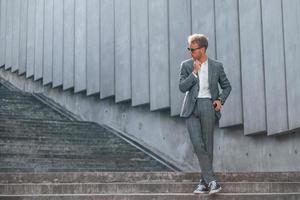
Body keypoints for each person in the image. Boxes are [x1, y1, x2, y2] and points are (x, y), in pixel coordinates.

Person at [179, 34, 231, 194]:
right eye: (189, 49)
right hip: (191, 109)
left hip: (208, 106)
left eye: (192, 50)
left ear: (202, 49)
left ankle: (203, 182)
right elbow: (182, 87)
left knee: (208, 146)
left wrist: (220, 101)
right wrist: (194, 73)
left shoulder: (216, 66)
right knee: (197, 144)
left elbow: (227, 86)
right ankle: (213, 181)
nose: (190, 52)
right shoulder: (186, 65)